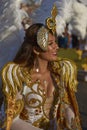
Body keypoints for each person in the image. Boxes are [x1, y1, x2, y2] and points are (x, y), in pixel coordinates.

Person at [1, 23, 82, 130]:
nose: (56, 47)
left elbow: (66, 104)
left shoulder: (59, 73)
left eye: (56, 42)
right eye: (50, 43)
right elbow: (10, 119)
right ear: (36, 50)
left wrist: (72, 124)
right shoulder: (19, 76)